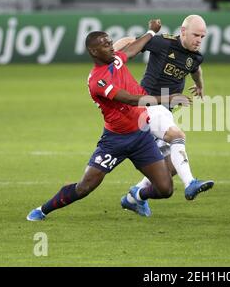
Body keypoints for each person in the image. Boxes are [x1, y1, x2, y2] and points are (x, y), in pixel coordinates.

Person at [26, 20, 192, 221]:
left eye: (111, 42)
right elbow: (130, 99)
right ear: (94, 52)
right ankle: (42, 210)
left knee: (165, 189)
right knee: (85, 187)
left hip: (141, 136)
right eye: (106, 45)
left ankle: (134, 197)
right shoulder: (98, 81)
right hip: (115, 140)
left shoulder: (115, 60)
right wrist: (168, 98)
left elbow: (131, 51)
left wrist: (150, 31)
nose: (112, 47)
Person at [115, 15, 214, 217]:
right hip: (148, 105)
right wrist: (111, 58)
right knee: (177, 135)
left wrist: (200, 85)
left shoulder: (195, 56)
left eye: (202, 36)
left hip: (164, 111)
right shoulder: (163, 42)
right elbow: (131, 42)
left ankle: (135, 196)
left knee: (170, 169)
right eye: (196, 35)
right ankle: (191, 183)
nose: (199, 40)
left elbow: (195, 68)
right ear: (183, 31)